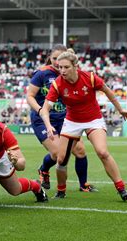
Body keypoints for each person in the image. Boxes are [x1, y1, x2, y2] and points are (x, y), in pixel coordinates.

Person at [40, 49, 127, 201]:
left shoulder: (89, 78)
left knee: (102, 152)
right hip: (72, 122)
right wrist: (48, 125)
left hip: (93, 119)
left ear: (75, 66)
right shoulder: (57, 84)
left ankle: (121, 188)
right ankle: (61, 191)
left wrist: (120, 109)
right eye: (60, 67)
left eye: (66, 67)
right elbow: (45, 109)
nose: (62, 70)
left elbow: (107, 91)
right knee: (61, 159)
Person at [26, 45, 95, 195]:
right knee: (58, 154)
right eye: (54, 58)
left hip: (65, 119)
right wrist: (40, 110)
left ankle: (84, 185)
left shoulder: (70, 73)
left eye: (60, 58)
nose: (57, 62)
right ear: (50, 58)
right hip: (42, 119)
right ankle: (44, 169)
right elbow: (29, 96)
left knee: (81, 151)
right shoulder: (42, 74)